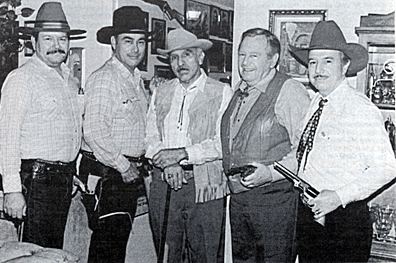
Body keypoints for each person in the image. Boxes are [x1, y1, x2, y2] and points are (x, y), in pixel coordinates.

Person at [289, 20, 396, 263]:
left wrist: (338, 196)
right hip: (311, 215)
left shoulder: (359, 108)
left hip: (344, 222)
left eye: (328, 60)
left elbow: (388, 166)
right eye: (313, 62)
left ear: (344, 64)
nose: (318, 69)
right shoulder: (316, 101)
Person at [0, 2, 85, 248]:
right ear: (34, 43)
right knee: (34, 252)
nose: (57, 46)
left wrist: (70, 172)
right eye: (48, 39)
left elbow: (68, 131)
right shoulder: (21, 79)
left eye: (62, 39)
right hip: (37, 181)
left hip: (62, 179)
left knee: (52, 251)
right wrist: (13, 190)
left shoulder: (70, 81)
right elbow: (7, 137)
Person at [220, 28, 311, 262]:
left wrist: (270, 174)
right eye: (241, 55)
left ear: (273, 60)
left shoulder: (290, 91)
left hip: (275, 202)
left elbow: (306, 151)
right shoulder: (240, 89)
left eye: (254, 56)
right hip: (240, 201)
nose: (245, 62)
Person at [145, 28, 232, 263]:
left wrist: (183, 155)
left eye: (186, 55)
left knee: (205, 254)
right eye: (174, 57)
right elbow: (150, 137)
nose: (180, 63)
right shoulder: (161, 92)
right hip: (164, 183)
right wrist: (167, 164)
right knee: (167, 254)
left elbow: (223, 143)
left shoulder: (222, 92)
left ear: (200, 57)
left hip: (204, 186)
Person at [79, 6, 150, 263]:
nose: (135, 48)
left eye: (141, 42)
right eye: (128, 41)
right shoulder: (105, 78)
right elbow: (95, 130)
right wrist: (123, 165)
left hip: (124, 175)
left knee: (115, 248)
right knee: (106, 250)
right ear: (113, 42)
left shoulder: (135, 80)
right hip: (109, 175)